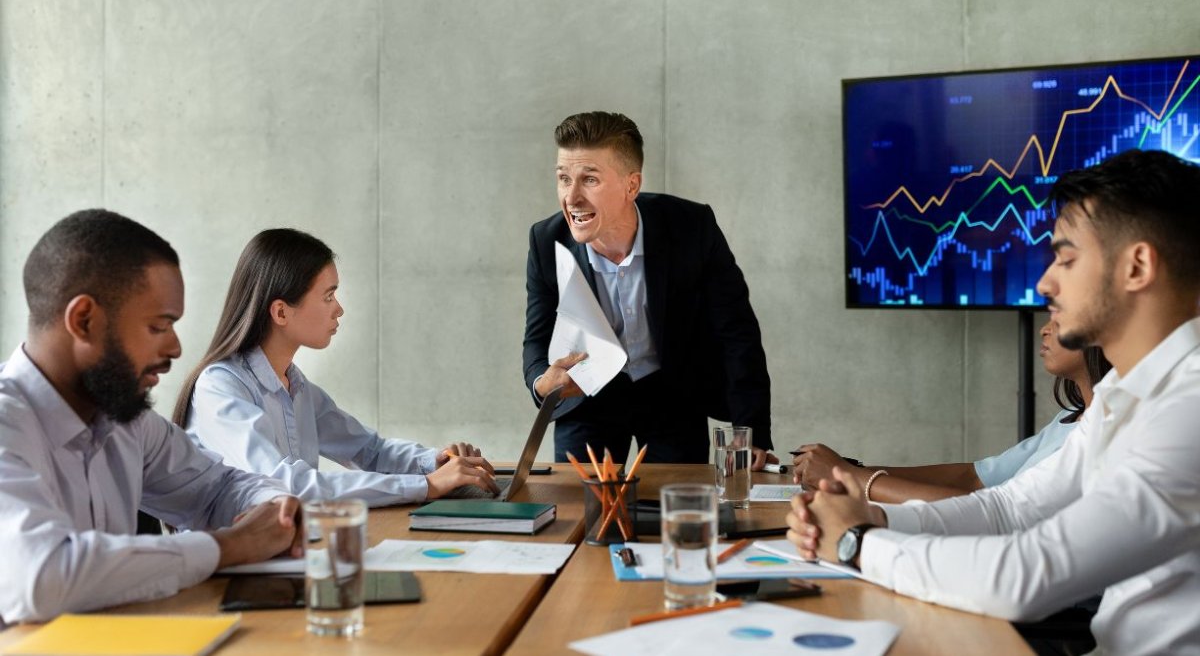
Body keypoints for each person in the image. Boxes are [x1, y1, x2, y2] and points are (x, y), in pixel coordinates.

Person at [787, 149, 1200, 655]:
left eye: (1066, 259)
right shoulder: (1126, 392)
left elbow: (1029, 575)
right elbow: (1010, 508)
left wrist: (856, 543)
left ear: (1137, 266)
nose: (1046, 283)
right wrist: (876, 520)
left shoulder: (1189, 409)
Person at [0, 210, 303, 625]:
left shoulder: (124, 418)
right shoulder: (7, 423)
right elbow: (42, 577)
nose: (177, 349)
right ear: (83, 320)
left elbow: (218, 487)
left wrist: (272, 508)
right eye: (160, 326)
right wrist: (229, 547)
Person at [523, 111, 775, 466]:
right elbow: (536, 338)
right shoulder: (546, 240)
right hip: (588, 399)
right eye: (564, 179)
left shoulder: (692, 227)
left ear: (631, 186)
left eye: (589, 179)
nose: (572, 197)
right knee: (581, 515)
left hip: (672, 392)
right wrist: (541, 384)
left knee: (675, 513)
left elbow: (737, 334)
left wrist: (751, 431)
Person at [175, 229, 498, 506]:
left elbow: (369, 451)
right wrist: (427, 485)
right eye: (328, 297)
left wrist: (437, 461)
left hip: (283, 552)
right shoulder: (220, 388)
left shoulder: (297, 387)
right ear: (281, 312)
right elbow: (286, 487)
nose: (339, 309)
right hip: (227, 568)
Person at [792, 318, 1111, 503]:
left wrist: (853, 480)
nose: (1044, 328)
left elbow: (998, 515)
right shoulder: (1069, 418)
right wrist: (846, 472)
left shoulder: (1106, 433)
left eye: (1059, 312)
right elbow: (974, 477)